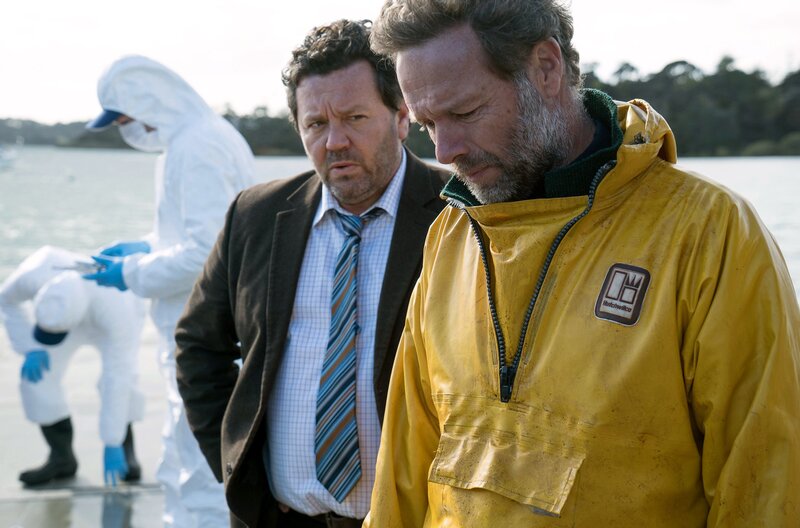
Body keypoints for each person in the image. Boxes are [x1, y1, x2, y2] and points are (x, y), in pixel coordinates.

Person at [364, 1, 800, 526]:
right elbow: (404, 471)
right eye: (427, 125)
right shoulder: (452, 235)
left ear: (546, 68)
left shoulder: (710, 231)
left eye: (465, 112)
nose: (445, 150)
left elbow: (765, 483)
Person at [173, 19, 448, 528]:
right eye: (316, 124)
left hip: (415, 518)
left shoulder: (460, 213)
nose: (335, 141)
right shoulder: (255, 216)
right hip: (278, 517)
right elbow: (199, 346)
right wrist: (237, 469)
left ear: (401, 116)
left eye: (355, 118)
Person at [82, 55, 256, 527]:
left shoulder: (197, 146)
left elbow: (206, 252)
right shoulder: (193, 140)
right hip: (194, 337)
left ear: (148, 102)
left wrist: (132, 271)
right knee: (180, 462)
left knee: (200, 475)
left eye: (124, 118)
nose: (127, 129)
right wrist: (147, 246)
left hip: (205, 338)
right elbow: (195, 234)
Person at [0, 246, 145, 487]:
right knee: (37, 379)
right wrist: (29, 347)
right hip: (68, 317)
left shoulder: (118, 310)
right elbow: (5, 299)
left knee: (124, 381)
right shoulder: (35, 271)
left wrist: (111, 440)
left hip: (108, 321)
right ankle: (62, 458)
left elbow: (116, 377)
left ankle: (124, 449)